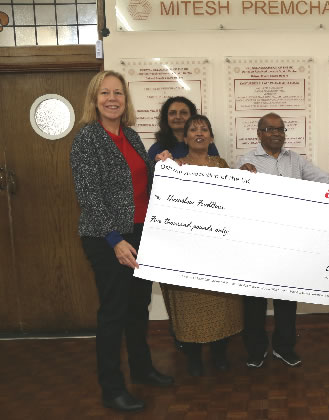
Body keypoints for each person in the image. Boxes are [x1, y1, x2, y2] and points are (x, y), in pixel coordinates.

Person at [238, 112, 329, 368]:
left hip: (291, 240)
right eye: (271, 129)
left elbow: (327, 181)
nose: (277, 134)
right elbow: (230, 193)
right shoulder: (246, 161)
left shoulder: (296, 160)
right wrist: (238, 176)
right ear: (259, 133)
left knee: (287, 297)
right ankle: (255, 350)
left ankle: (284, 348)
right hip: (257, 242)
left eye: (281, 129)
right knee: (254, 301)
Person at [70, 71, 174, 413]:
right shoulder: (87, 139)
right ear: (94, 99)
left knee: (137, 308)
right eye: (105, 93)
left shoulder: (130, 135)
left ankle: (142, 370)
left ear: (125, 100)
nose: (112, 98)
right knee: (113, 312)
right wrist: (114, 239)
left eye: (118, 93)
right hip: (107, 237)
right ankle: (112, 388)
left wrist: (161, 166)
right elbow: (90, 196)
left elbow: (141, 185)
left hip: (141, 232)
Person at [160, 115, 244, 376]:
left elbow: (236, 202)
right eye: (193, 130)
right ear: (184, 138)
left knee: (223, 305)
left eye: (204, 129)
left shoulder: (222, 165)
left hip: (218, 249)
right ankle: (193, 359)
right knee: (189, 306)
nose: (199, 133)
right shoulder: (175, 167)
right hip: (187, 251)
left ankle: (219, 355)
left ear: (211, 137)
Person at [147, 96, 219, 162]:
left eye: (183, 113)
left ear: (192, 116)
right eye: (172, 113)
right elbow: (149, 174)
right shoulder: (156, 149)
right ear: (166, 118)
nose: (178, 117)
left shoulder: (205, 144)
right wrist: (157, 164)